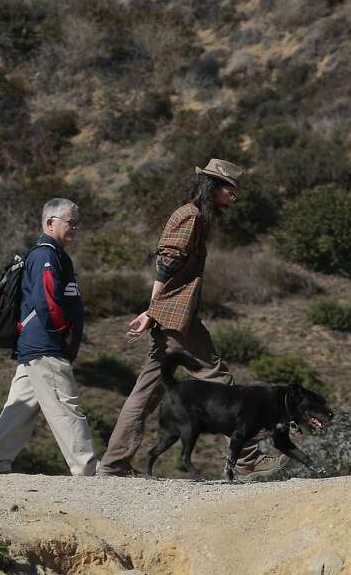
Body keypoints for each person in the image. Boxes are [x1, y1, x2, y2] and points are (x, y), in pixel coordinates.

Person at [97, 159, 288, 481]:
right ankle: (248, 461)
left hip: (171, 314)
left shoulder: (194, 215)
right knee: (218, 377)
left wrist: (154, 310)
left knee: (148, 392)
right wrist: (152, 309)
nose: (235, 196)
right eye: (232, 190)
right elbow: (167, 262)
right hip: (176, 316)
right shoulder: (191, 216)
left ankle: (113, 464)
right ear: (213, 186)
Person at [0, 198, 97, 476]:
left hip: (34, 346)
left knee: (17, 412)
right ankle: (87, 468)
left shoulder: (52, 253)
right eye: (71, 222)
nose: (75, 228)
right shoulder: (45, 255)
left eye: (78, 223)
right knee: (65, 405)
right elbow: (47, 302)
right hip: (46, 345)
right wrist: (61, 335)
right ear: (50, 222)